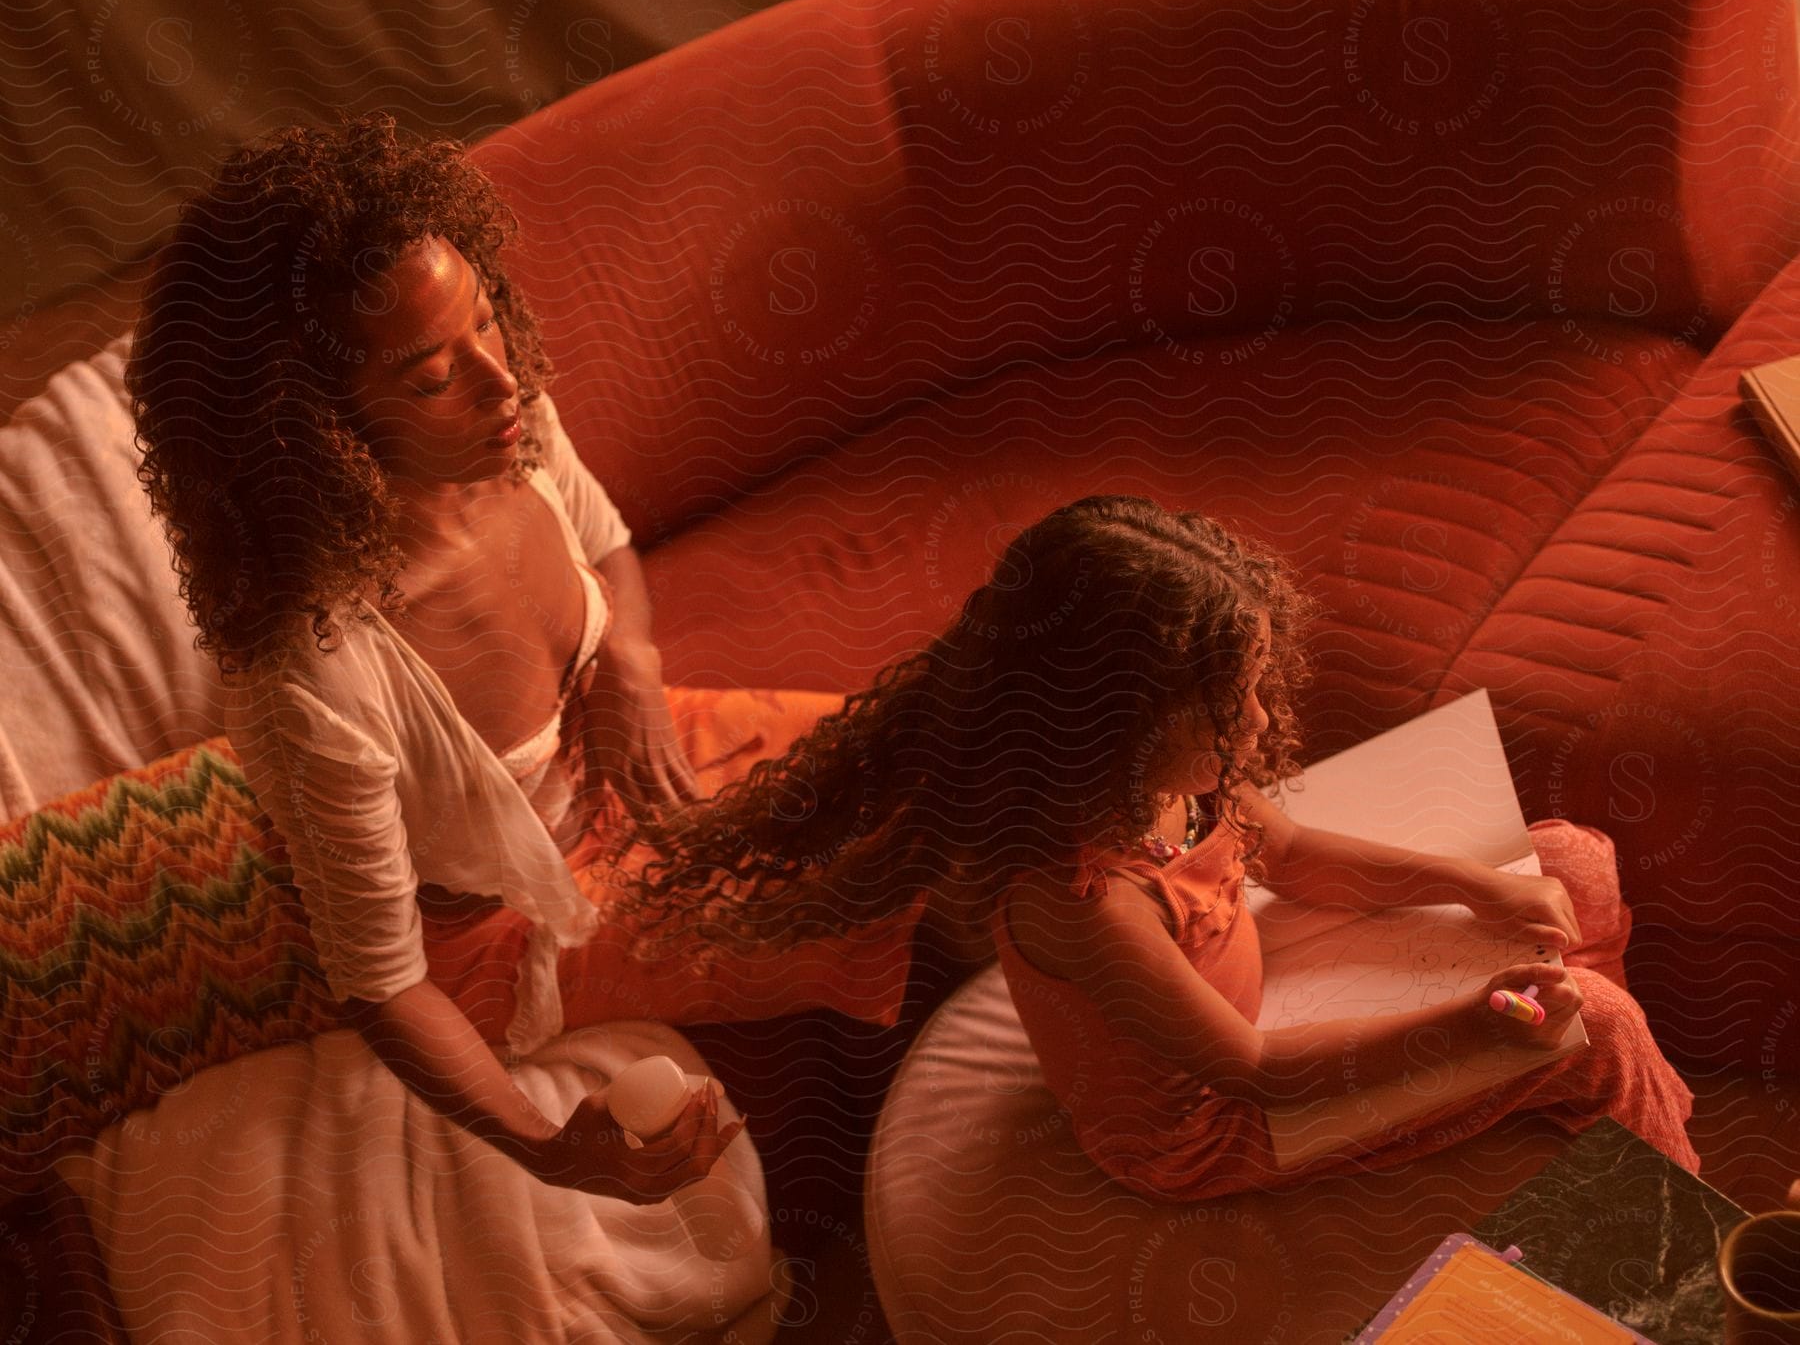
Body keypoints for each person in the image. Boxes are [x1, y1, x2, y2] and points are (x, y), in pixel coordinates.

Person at [126, 112, 921, 1207]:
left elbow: (610, 554)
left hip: (628, 759)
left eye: (489, 325)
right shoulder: (321, 678)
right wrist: (553, 1151)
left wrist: (630, 664)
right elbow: (387, 984)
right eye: (429, 377)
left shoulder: (512, 429)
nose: (504, 385)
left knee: (935, 759)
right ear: (311, 427)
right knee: (882, 892)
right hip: (507, 930)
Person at [624, 493, 1701, 1196]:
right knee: (1600, 1025)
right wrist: (1470, 1024)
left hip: (1258, 981)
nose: (1253, 727)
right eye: (1226, 707)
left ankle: (1561, 1088)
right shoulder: (1079, 901)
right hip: (1211, 1121)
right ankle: (1670, 1218)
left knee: (1572, 861)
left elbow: (1303, 857)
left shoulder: (1184, 785)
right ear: (1115, 726)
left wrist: (1475, 889)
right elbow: (1254, 1071)